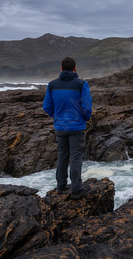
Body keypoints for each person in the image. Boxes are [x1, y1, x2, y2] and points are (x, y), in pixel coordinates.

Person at [43, 57, 92, 199]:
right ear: (75, 68)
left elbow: (47, 106)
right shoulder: (82, 84)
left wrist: (57, 116)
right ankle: (76, 189)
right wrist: (85, 118)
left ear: (61, 69)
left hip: (60, 126)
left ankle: (61, 186)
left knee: (62, 156)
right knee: (76, 157)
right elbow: (86, 107)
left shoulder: (52, 85)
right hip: (76, 126)